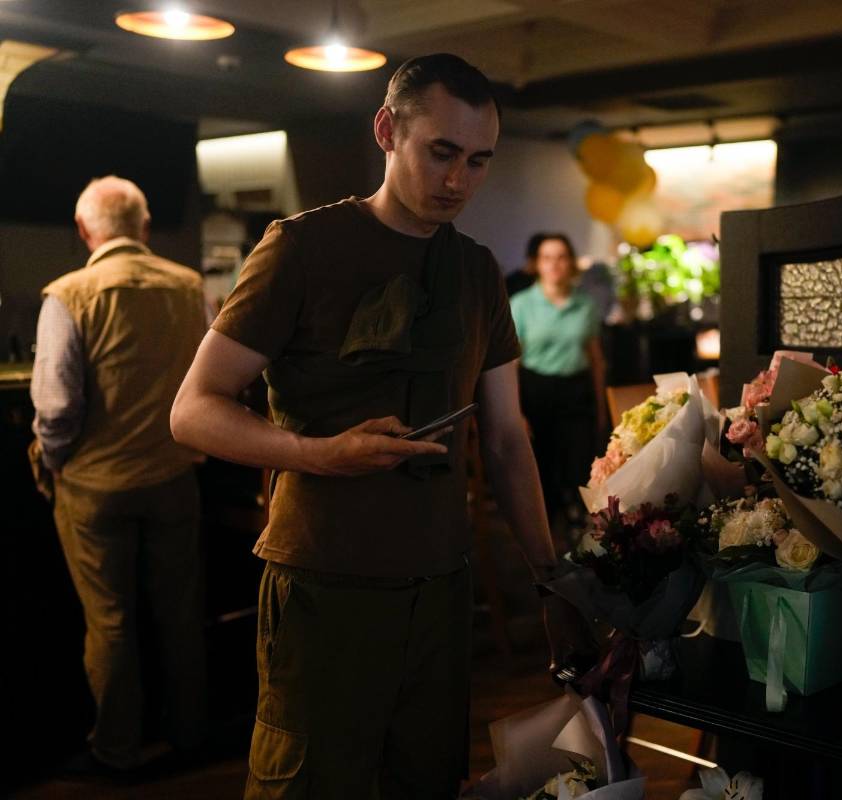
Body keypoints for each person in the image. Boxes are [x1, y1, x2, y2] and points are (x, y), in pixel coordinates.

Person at [170, 54, 592, 798]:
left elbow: (505, 437)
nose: (458, 180)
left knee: (425, 781)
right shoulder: (301, 248)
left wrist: (549, 578)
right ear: (386, 131)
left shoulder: (477, 272)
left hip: (439, 585)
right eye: (442, 153)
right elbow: (193, 409)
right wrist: (319, 454)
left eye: (479, 161)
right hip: (321, 581)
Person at [31, 175, 208, 775]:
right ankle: (189, 734)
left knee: (110, 620)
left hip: (95, 485)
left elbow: (55, 407)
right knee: (180, 613)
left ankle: (118, 749)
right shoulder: (189, 288)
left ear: (85, 231)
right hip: (174, 476)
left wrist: (56, 461)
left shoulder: (68, 294)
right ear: (145, 226)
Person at [509, 233, 607, 543]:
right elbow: (510, 365)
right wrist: (515, 411)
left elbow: (595, 358)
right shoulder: (521, 305)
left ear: (571, 262)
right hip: (536, 392)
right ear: (536, 264)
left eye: (562, 256)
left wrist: (602, 409)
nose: (555, 264)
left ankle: (582, 538)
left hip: (576, 392)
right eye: (547, 257)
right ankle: (544, 541)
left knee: (580, 466)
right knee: (543, 470)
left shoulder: (585, 305)